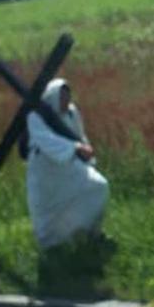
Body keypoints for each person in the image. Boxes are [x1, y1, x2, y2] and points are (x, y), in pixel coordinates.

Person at [25, 77, 109, 249]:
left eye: (67, 97)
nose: (66, 101)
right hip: (45, 171)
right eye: (61, 97)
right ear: (53, 96)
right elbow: (46, 140)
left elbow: (79, 135)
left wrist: (86, 153)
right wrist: (75, 148)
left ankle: (90, 232)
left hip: (68, 166)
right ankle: (51, 244)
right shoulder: (36, 115)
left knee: (98, 186)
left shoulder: (71, 112)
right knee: (49, 208)